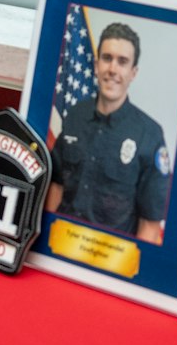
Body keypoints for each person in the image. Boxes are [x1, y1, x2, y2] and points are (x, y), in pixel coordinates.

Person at [48, 22, 170, 243]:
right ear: (96, 65)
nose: (112, 69)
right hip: (62, 245)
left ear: (133, 72)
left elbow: (149, 225)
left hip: (111, 260)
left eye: (122, 62)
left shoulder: (150, 135)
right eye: (107, 58)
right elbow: (56, 185)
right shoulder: (75, 115)